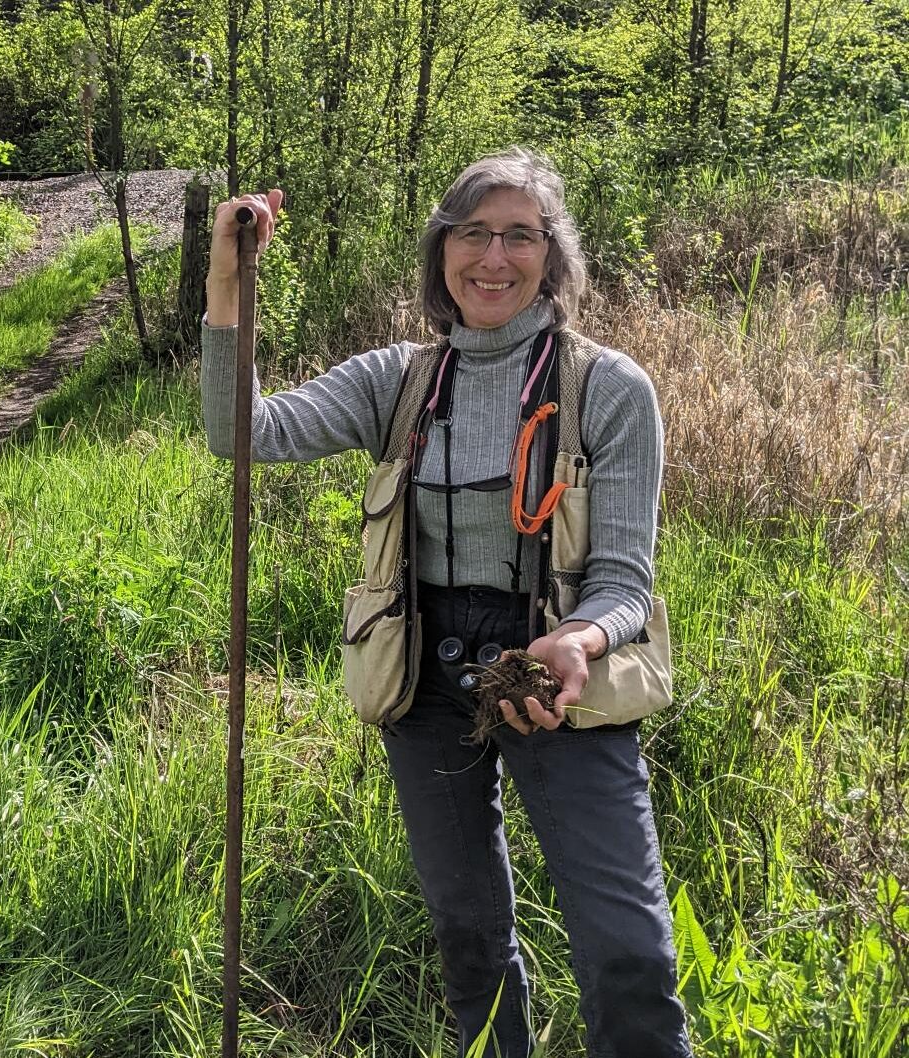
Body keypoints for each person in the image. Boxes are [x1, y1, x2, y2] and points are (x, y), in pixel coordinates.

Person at [199, 148, 692, 1057]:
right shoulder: (400, 380)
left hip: (557, 674)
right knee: (469, 937)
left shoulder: (608, 389)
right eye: (473, 234)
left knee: (630, 950)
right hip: (426, 672)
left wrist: (579, 640)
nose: (494, 259)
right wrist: (228, 281)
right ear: (441, 254)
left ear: (554, 256)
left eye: (519, 236)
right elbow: (244, 434)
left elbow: (625, 580)